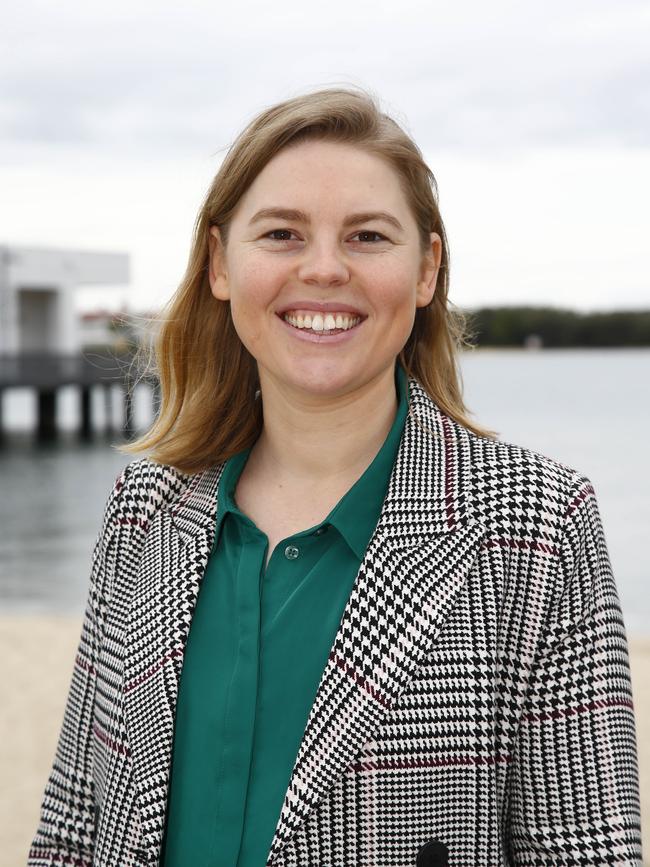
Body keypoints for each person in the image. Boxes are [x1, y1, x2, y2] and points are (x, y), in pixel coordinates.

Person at [29, 87, 642, 867]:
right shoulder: (143, 510)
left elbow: (589, 853)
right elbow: (75, 832)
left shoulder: (538, 526)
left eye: (368, 236)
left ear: (426, 270)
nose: (324, 269)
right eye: (282, 233)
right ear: (220, 263)